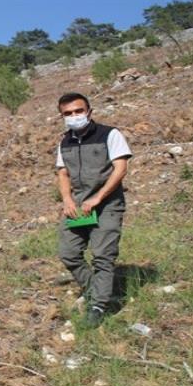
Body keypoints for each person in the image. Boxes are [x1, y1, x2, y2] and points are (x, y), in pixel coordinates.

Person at [54, 92, 132, 327]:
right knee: (68, 252)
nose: (74, 116)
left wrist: (99, 197)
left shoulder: (110, 134)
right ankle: (95, 289)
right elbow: (63, 173)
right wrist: (67, 200)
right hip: (79, 206)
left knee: (102, 256)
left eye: (78, 111)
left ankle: (99, 305)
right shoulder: (65, 141)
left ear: (89, 111)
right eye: (68, 113)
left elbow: (120, 168)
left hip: (106, 205)